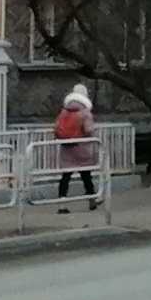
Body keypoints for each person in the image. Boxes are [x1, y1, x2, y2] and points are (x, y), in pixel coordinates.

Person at [54, 83, 101, 213]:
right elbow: (88, 130)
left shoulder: (64, 112)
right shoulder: (85, 112)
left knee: (65, 177)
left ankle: (61, 205)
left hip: (67, 149)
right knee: (86, 175)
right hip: (82, 148)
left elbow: (57, 128)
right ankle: (92, 201)